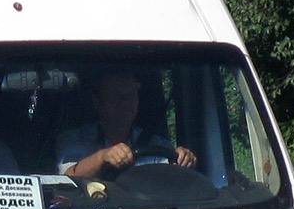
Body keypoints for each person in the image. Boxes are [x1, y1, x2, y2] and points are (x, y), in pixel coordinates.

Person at [56, 69, 196, 178]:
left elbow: (171, 182)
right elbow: (69, 178)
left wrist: (182, 159)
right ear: (97, 101)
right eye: (116, 96)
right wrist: (102, 158)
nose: (125, 102)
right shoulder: (74, 140)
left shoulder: (156, 144)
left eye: (131, 95)